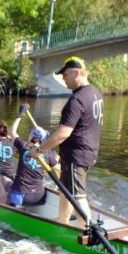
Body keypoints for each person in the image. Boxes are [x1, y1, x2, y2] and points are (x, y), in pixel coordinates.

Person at [29, 56, 103, 228]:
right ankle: (62, 223)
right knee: (65, 190)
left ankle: (89, 232)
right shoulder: (95, 93)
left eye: (65, 74)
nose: (63, 78)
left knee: (77, 196)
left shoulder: (77, 100)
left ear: (76, 73)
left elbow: (63, 133)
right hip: (88, 152)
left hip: (76, 156)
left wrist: (40, 150)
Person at [8, 109, 58, 206]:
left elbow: (12, 131)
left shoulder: (23, 146)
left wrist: (20, 114)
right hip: (39, 196)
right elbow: (58, 169)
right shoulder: (49, 153)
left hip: (22, 195)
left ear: (31, 136)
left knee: (8, 187)